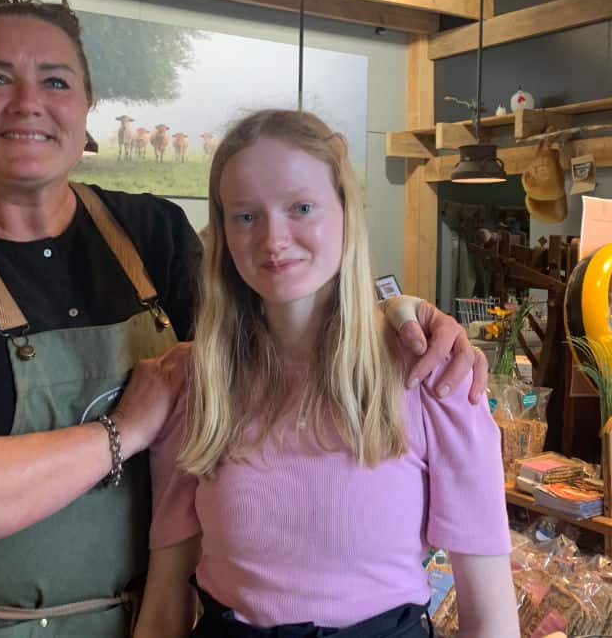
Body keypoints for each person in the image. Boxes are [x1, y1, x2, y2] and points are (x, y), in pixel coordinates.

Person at [0, 0, 486, 638]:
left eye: (56, 81)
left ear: (87, 105)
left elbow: (273, 313)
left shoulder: (149, 234)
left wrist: (397, 316)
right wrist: (119, 433)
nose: (29, 103)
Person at [137, 110, 520, 638]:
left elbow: (491, 619)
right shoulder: (196, 383)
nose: (273, 239)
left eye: (301, 208)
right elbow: (164, 603)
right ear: (222, 234)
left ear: (345, 213)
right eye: (245, 216)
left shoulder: (435, 378)